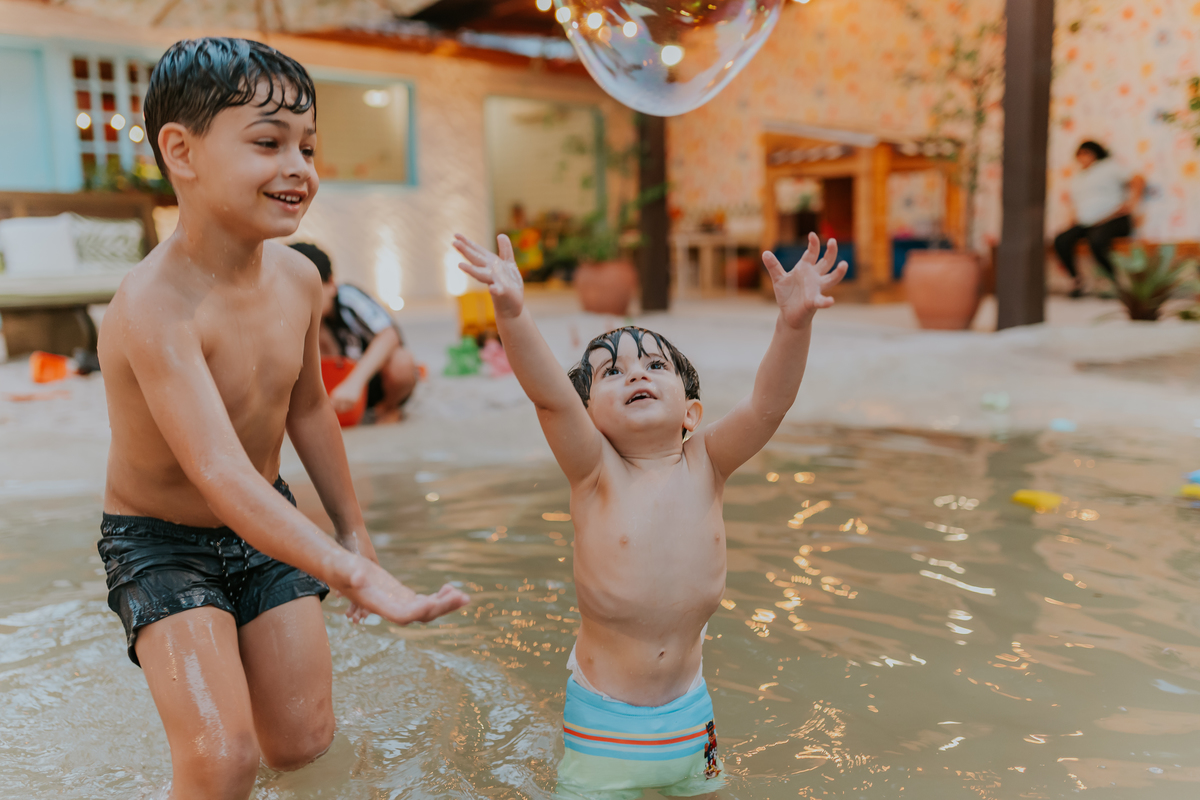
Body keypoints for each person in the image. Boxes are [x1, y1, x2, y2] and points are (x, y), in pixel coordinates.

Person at [96, 38, 468, 800]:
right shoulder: (151, 306)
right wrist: (353, 574)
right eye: (268, 143)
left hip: (264, 526)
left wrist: (351, 527)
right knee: (221, 761)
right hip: (161, 545)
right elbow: (221, 472)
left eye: (308, 146)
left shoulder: (299, 280)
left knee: (302, 744)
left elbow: (308, 410)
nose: (299, 166)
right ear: (182, 151)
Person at [452, 229, 846, 799]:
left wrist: (793, 324)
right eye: (610, 373)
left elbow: (769, 404)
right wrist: (512, 311)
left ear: (691, 410)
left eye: (654, 365)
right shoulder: (594, 472)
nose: (635, 373)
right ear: (587, 418)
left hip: (692, 723)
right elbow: (548, 395)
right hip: (607, 727)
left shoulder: (708, 462)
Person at [289, 242, 419, 424]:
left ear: (331, 284)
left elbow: (389, 335)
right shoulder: (286, 312)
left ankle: (388, 408)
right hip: (327, 391)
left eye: (313, 291)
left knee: (402, 362)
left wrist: (354, 382)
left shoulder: (348, 298)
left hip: (368, 383)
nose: (306, 301)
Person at [1053, 140, 1145, 297]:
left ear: (1096, 153)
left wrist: (1132, 203)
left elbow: (1137, 179)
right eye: (1079, 154)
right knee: (1061, 239)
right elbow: (1077, 203)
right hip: (1087, 223)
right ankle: (1076, 280)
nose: (1082, 157)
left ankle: (1111, 280)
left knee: (1097, 240)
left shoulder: (1109, 167)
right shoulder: (1078, 177)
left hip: (1113, 218)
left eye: (1086, 153)